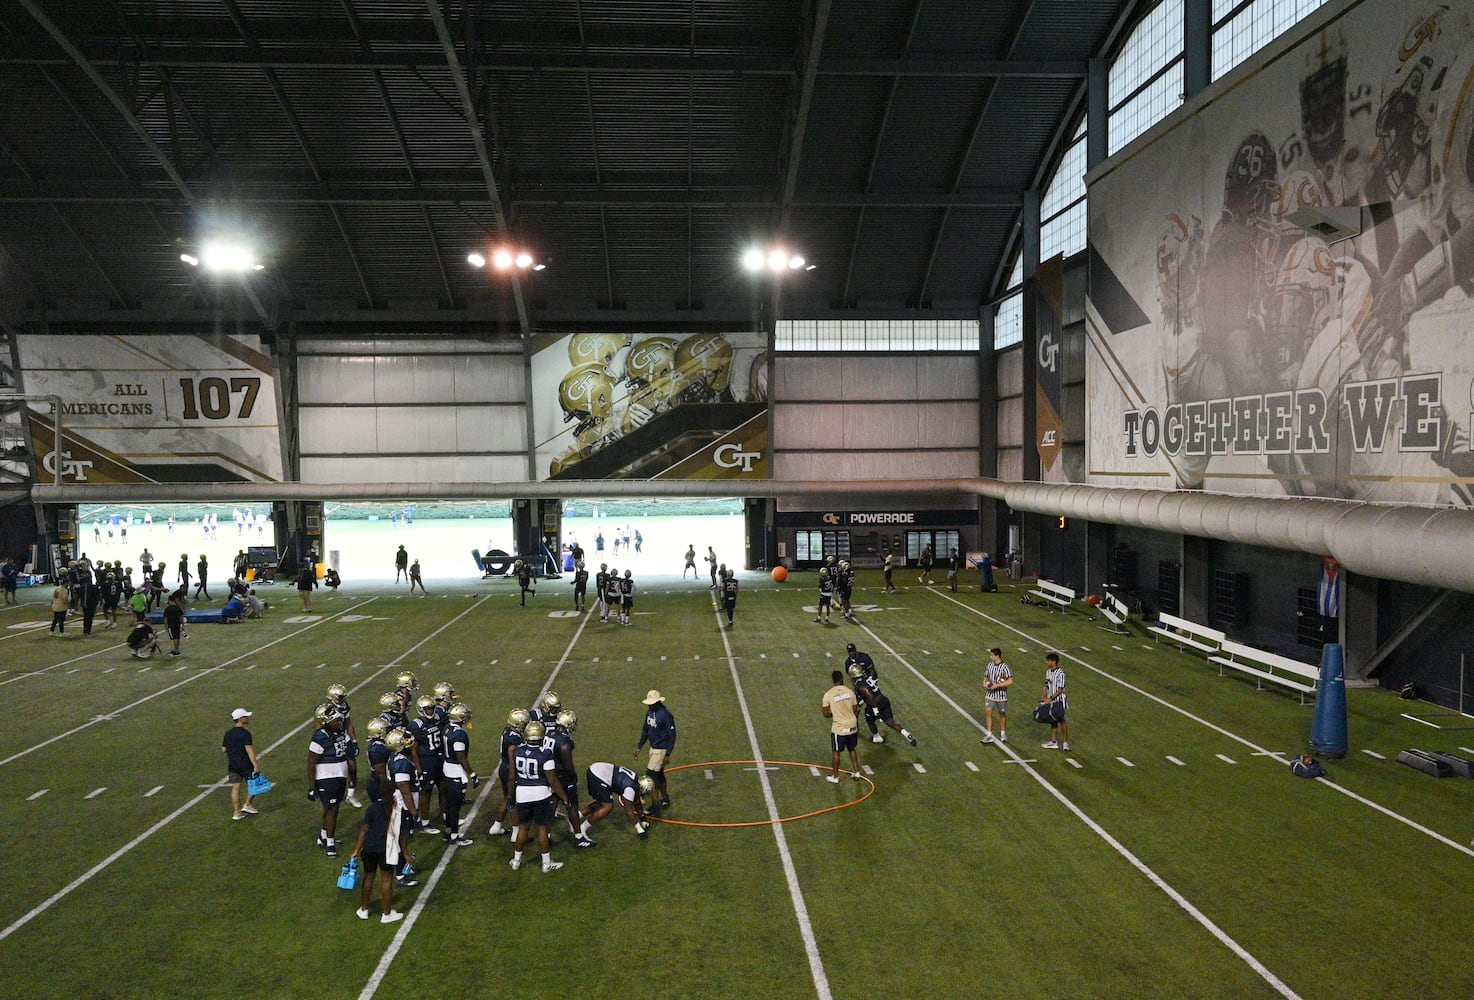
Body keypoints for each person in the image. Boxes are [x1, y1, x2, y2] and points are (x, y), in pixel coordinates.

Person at [509, 720, 571, 873]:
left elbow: (511, 777)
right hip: (541, 794)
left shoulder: (516, 751)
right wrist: (564, 797)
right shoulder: (545, 754)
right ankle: (546, 863)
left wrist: (511, 796)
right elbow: (553, 780)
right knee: (542, 829)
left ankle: (516, 860)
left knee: (523, 828)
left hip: (522, 794)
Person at [845, 643, 917, 746]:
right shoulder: (868, 678)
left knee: (869, 720)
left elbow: (868, 693)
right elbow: (872, 683)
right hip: (883, 699)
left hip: (874, 703)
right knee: (890, 722)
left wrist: (875, 710)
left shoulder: (860, 684)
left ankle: (876, 737)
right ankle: (905, 733)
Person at [350, 791, 404, 924]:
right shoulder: (395, 809)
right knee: (386, 879)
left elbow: (364, 830)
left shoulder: (372, 808)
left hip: (369, 848)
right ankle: (387, 914)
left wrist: (356, 850)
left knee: (368, 877)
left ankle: (364, 909)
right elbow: (400, 832)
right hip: (386, 850)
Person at [308, 705, 350, 858]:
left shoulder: (339, 733)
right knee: (331, 809)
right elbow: (311, 761)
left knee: (333, 808)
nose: (339, 722)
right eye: (336, 720)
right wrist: (312, 786)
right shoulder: (320, 736)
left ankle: (324, 835)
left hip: (339, 776)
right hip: (326, 777)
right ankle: (330, 844)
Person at [579, 762, 654, 840]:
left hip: (598, 771)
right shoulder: (630, 789)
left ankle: (577, 816)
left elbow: (637, 802)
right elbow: (629, 811)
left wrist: (642, 818)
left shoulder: (635, 781)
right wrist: (640, 830)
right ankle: (582, 829)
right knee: (608, 807)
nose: (644, 795)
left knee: (602, 803)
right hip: (598, 775)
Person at [488, 708, 529, 838]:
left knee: (507, 797)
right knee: (513, 800)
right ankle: (516, 833)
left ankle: (497, 825)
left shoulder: (508, 731)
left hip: (505, 767)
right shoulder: (514, 739)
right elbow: (513, 757)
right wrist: (515, 773)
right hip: (510, 769)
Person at [634, 690, 675, 813]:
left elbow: (672, 735)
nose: (650, 705)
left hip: (660, 750)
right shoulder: (650, 712)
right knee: (659, 775)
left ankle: (655, 805)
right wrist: (639, 747)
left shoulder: (665, 715)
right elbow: (645, 730)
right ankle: (665, 798)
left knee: (650, 776)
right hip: (654, 748)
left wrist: (668, 753)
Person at [441, 703, 476, 846]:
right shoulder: (459, 734)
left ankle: (448, 832)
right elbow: (461, 757)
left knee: (450, 804)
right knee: (455, 806)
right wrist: (472, 774)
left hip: (447, 767)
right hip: (456, 770)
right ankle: (454, 836)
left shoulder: (447, 728)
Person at [822, 669, 861, 782]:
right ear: (842, 679)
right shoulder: (850, 692)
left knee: (836, 751)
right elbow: (855, 709)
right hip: (852, 725)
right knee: (851, 749)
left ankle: (835, 777)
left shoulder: (828, 695)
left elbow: (825, 713)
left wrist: (833, 714)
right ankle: (856, 772)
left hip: (839, 728)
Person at [222, 708, 261, 821]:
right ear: (240, 719)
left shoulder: (228, 734)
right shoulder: (245, 733)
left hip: (233, 765)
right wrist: (255, 765)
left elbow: (224, 749)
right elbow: (249, 750)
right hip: (245, 764)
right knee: (255, 784)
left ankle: (237, 812)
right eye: (245, 716)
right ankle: (248, 804)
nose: (247, 718)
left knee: (235, 788)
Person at [980, 647, 1013, 744]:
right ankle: (989, 734)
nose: (990, 657)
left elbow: (1010, 681)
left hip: (1001, 696)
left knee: (1002, 714)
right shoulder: (990, 665)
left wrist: (997, 685)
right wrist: (985, 684)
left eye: (992, 655)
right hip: (990, 695)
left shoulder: (1004, 667)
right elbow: (986, 677)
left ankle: (1003, 733)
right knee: (988, 712)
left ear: (997, 656)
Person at [1039, 652, 1070, 751]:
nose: (1046, 662)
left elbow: (1061, 689)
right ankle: (1053, 741)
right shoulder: (1048, 672)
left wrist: (1050, 698)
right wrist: (1044, 696)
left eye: (1048, 661)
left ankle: (1065, 743)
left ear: (1053, 661)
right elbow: (1046, 685)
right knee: (1053, 720)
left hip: (1059, 700)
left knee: (1061, 720)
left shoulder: (1060, 673)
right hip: (1050, 700)